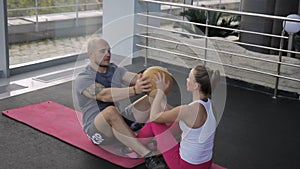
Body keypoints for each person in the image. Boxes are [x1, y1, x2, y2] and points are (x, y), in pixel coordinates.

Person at [73, 37, 166, 169]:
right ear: (90, 54)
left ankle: (179, 127)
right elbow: (104, 95)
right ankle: (148, 156)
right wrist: (135, 89)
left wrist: (154, 76)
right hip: (98, 130)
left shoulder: (113, 69)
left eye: (109, 50)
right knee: (111, 111)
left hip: (119, 119)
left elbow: (135, 78)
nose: (108, 54)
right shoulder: (83, 78)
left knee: (153, 97)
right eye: (102, 51)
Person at [137, 65, 220, 169]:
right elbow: (177, 117)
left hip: (184, 166)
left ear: (196, 86)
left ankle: (137, 142)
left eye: (189, 78)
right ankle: (145, 140)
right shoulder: (211, 106)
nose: (187, 79)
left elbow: (154, 117)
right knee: (173, 119)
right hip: (206, 164)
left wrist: (159, 92)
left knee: (155, 122)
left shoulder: (187, 110)